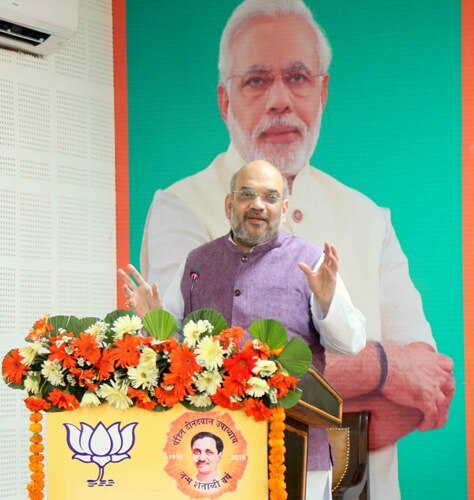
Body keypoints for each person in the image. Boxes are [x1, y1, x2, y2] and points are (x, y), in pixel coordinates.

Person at [139, 0, 455, 497]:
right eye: (257, 80)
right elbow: (211, 370)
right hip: (231, 474)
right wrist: (383, 370)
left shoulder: (368, 215)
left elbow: (429, 388)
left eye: (298, 77)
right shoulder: (180, 207)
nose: (280, 100)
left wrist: (319, 389)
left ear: (322, 92)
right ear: (226, 101)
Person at [121, 160, 366, 500]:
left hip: (293, 445)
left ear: (284, 208)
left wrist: (327, 300)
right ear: (228, 204)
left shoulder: (311, 262)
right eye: (247, 194)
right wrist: (153, 321)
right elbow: (174, 349)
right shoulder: (196, 262)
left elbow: (351, 342)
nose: (258, 205)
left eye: (270, 197)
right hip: (208, 445)